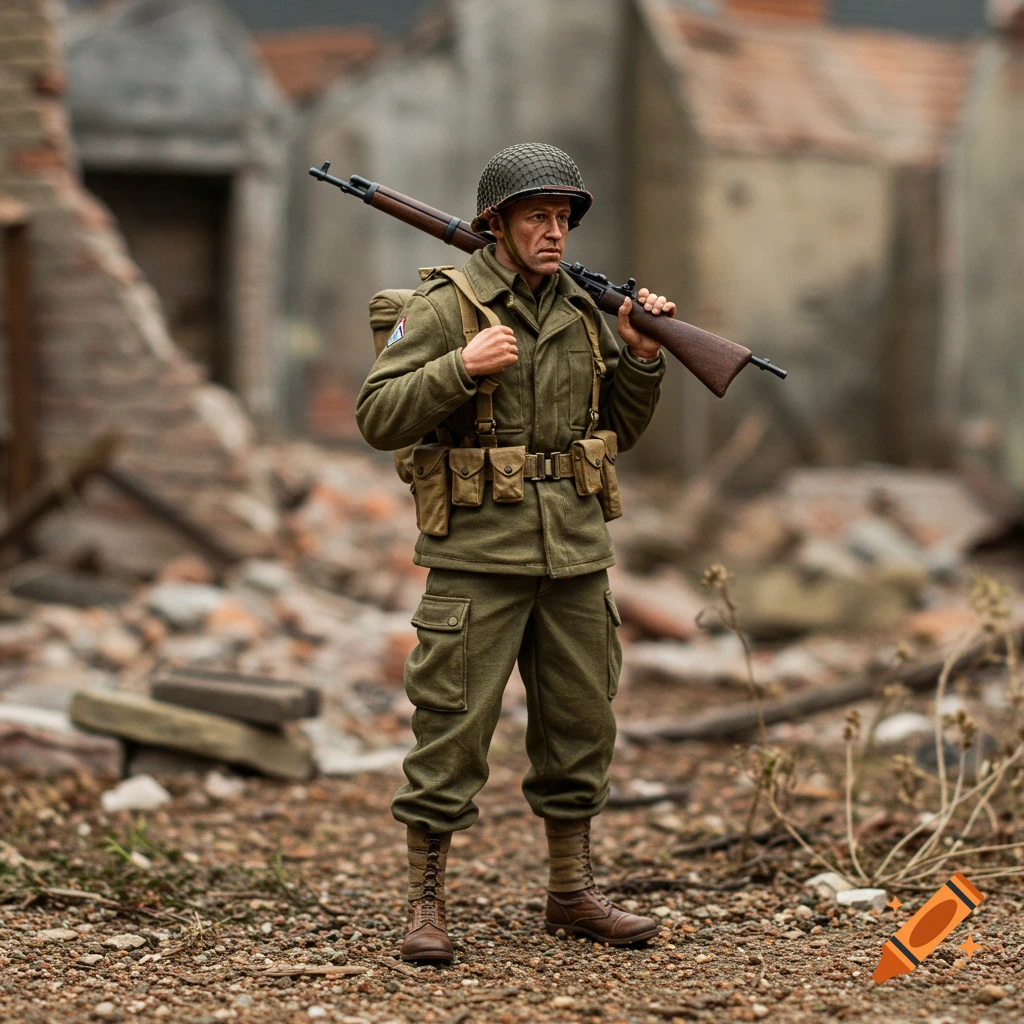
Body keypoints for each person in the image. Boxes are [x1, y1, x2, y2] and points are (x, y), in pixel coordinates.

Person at [355, 142, 675, 963]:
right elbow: (377, 415)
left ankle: (572, 892)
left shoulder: (584, 312)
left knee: (581, 725)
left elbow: (617, 431)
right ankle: (426, 905)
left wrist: (642, 359)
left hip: (575, 555)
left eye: (564, 218)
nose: (555, 232)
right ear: (495, 223)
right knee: (451, 730)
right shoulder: (444, 308)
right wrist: (459, 370)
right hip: (478, 556)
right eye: (538, 216)